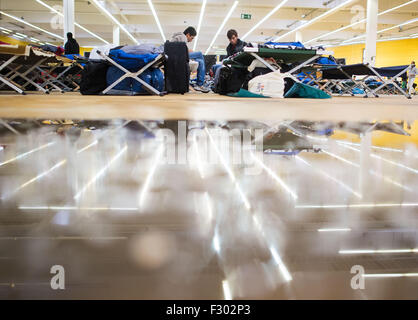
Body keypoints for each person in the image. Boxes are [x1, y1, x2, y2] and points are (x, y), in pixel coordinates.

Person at [171, 26, 210, 93]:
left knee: (200, 62)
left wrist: (188, 51)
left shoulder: (179, 37)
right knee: (200, 54)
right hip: (178, 56)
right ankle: (201, 83)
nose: (191, 40)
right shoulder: (183, 37)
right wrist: (188, 51)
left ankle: (200, 84)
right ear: (188, 35)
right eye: (192, 38)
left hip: (177, 56)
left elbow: (180, 49)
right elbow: (181, 51)